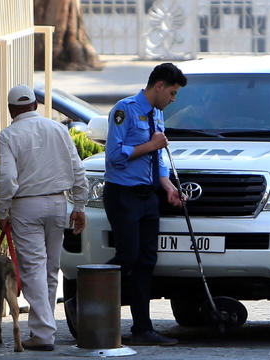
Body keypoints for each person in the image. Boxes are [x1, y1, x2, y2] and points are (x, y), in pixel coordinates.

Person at [0, 84, 88, 351]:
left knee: (33, 269)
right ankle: (43, 330)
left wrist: (2, 212)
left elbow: (7, 180)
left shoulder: (8, 135)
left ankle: (44, 333)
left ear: (11, 110)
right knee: (50, 270)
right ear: (35, 105)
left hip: (25, 206)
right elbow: (78, 170)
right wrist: (79, 207)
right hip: (58, 203)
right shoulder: (59, 129)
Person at [104, 63, 187, 346]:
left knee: (146, 261)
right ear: (159, 86)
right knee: (127, 256)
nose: (173, 100)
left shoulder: (158, 114)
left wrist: (167, 185)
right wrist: (151, 145)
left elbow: (158, 160)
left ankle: (142, 328)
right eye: (173, 93)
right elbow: (114, 156)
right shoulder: (124, 110)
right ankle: (91, 299)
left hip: (148, 196)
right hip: (123, 195)